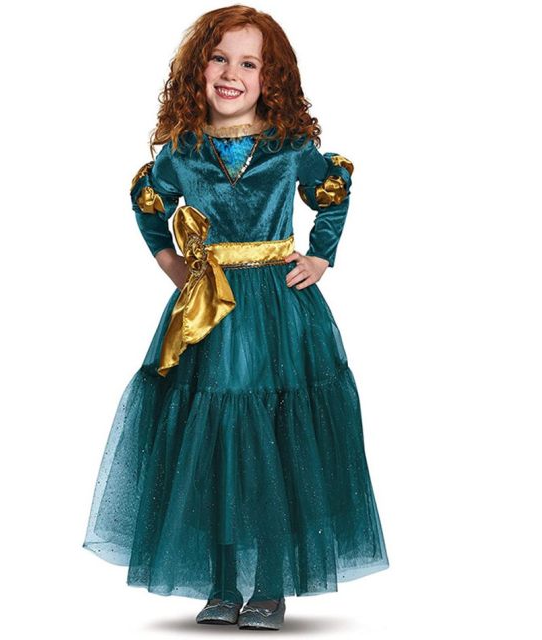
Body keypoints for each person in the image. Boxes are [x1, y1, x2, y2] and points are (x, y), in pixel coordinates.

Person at [82, 4, 389, 631]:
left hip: (279, 311)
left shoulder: (288, 147)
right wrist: (172, 264)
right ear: (198, 69)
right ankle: (223, 586)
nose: (231, 74)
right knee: (215, 441)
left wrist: (321, 255)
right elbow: (148, 203)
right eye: (219, 59)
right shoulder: (184, 152)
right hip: (210, 314)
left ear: (271, 78)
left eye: (249, 63)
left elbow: (332, 191)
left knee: (276, 437)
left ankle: (270, 587)